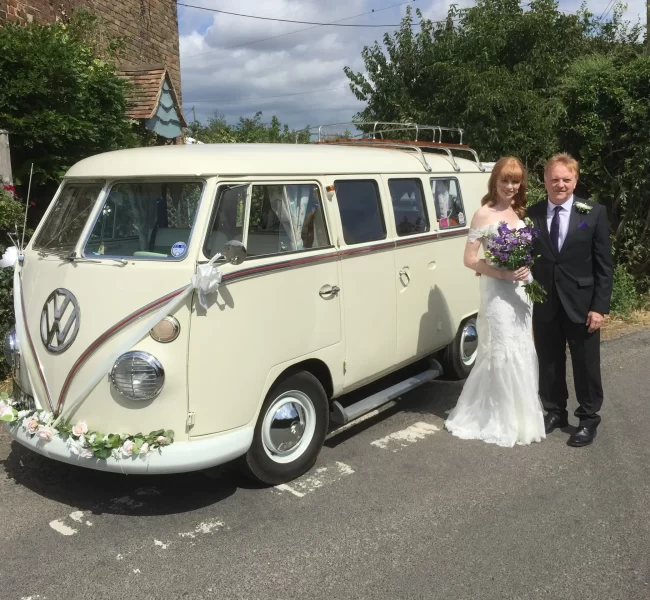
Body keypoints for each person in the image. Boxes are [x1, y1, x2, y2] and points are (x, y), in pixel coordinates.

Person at [444, 157, 546, 447]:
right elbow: (469, 259)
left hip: (522, 290)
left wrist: (526, 267)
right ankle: (499, 417)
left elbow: (524, 252)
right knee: (501, 349)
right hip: (497, 291)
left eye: (515, 181)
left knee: (522, 346)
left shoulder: (519, 211)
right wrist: (499, 271)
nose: (510, 186)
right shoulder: (483, 214)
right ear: (495, 182)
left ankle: (523, 415)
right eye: (505, 180)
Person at [527, 154, 613, 447]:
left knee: (585, 365)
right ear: (545, 180)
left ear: (575, 180)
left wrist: (600, 307)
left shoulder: (594, 213)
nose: (560, 184)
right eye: (555, 179)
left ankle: (588, 419)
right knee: (549, 361)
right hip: (546, 302)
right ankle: (554, 411)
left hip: (582, 303)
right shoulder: (533, 213)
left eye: (566, 179)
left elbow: (604, 265)